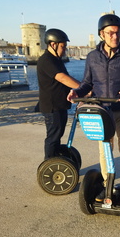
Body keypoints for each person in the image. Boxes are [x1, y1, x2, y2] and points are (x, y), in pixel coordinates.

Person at [67, 14, 120, 204]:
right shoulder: (93, 57)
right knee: (104, 150)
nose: (115, 37)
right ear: (102, 34)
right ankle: (107, 184)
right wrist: (77, 92)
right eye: (110, 33)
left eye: (118, 33)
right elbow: (87, 83)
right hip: (102, 111)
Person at [37, 28, 80, 159]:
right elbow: (62, 78)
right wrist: (84, 88)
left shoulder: (56, 60)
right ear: (53, 44)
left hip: (60, 105)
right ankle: (48, 164)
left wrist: (77, 91)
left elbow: (65, 81)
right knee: (53, 137)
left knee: (58, 135)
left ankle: (56, 160)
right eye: (63, 46)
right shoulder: (46, 60)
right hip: (52, 106)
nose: (65, 49)